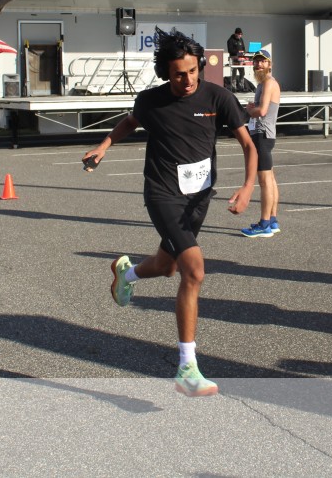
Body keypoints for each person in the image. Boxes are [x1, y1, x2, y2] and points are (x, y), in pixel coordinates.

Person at [85, 31, 257, 397]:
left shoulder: (219, 98)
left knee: (167, 266)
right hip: (162, 194)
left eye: (193, 71)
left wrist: (248, 187)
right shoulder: (151, 100)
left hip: (199, 198)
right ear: (166, 72)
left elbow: (248, 144)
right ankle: (187, 368)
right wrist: (103, 146)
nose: (189, 79)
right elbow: (129, 122)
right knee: (194, 270)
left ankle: (126, 274)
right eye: (180, 74)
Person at [241, 49, 281, 237]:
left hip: (262, 135)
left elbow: (263, 111)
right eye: (256, 61)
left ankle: (264, 224)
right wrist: (253, 108)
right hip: (265, 135)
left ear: (269, 64)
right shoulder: (264, 84)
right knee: (270, 179)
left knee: (264, 181)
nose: (258, 64)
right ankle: (272, 220)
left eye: (262, 61)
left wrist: (249, 111)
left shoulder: (268, 83)